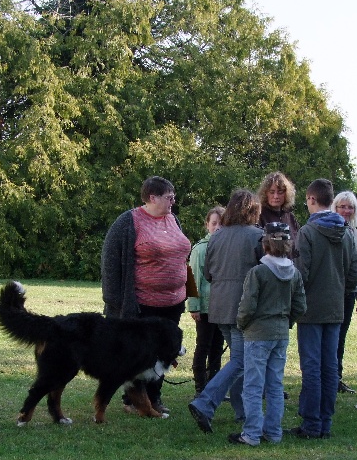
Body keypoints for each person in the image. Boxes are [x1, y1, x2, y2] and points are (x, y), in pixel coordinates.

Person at [101, 176, 191, 415]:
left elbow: (182, 257)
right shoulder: (128, 222)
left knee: (164, 352)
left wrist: (186, 289)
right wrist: (115, 304)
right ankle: (134, 400)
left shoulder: (173, 220)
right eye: (169, 197)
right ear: (153, 197)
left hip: (173, 302)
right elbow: (110, 264)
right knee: (138, 355)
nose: (173, 201)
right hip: (141, 304)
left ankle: (155, 397)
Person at [288, 179, 357, 439]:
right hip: (336, 307)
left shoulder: (308, 232)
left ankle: (311, 423)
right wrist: (345, 291)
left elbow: (302, 273)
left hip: (311, 307)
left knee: (312, 367)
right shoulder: (347, 232)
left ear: (310, 199)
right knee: (330, 366)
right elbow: (354, 272)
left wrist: (294, 301)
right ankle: (325, 422)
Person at [187, 190, 264, 434]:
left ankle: (242, 412)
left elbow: (208, 274)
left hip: (219, 308)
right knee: (242, 360)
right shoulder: (257, 237)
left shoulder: (216, 238)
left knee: (240, 360)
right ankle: (205, 402)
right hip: (244, 308)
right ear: (253, 210)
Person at [228, 223, 307, 445]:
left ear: (265, 244)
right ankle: (273, 432)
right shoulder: (294, 273)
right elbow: (300, 306)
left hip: (257, 333)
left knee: (253, 385)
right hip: (280, 333)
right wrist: (287, 322)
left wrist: (242, 324)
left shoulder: (258, 272)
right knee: (275, 385)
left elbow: (247, 305)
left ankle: (252, 433)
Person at [187, 206, 226, 397]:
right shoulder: (200, 249)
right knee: (203, 346)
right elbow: (192, 278)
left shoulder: (227, 248)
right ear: (207, 225)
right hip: (204, 307)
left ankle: (214, 386)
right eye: (214, 223)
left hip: (222, 308)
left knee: (217, 348)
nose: (218, 227)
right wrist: (194, 306)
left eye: (222, 223)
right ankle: (200, 388)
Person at [332, 190, 357, 395]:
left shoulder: (354, 232)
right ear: (334, 208)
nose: (346, 210)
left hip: (349, 291)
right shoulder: (331, 229)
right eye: (342, 206)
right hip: (333, 290)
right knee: (332, 336)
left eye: (350, 207)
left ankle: (337, 377)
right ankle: (330, 377)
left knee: (341, 336)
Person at [257, 171, 300, 254]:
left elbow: (297, 245)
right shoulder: (259, 215)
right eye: (272, 192)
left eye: (280, 192)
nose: (276, 196)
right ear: (265, 193)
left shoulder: (290, 217)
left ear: (286, 193)